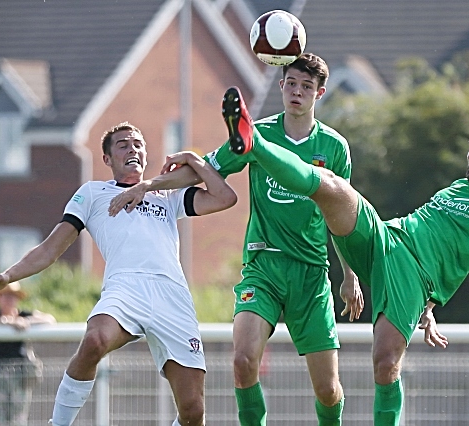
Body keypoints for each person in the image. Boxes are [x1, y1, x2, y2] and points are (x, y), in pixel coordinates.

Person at [203, 90, 469, 425]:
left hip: (413, 276)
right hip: (386, 238)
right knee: (332, 186)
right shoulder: (458, 186)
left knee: (384, 363)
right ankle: (253, 143)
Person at [109, 53, 364, 426]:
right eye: (291, 83)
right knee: (244, 361)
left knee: (327, 389)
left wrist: (350, 275)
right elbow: (204, 170)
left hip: (310, 274)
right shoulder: (254, 135)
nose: (296, 92)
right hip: (262, 266)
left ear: (319, 93)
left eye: (306, 87)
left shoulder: (335, 148)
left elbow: (341, 215)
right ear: (281, 86)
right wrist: (151, 184)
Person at [0, 122, 237, 426]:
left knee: (193, 411)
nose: (132, 149)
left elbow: (224, 197)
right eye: (123, 144)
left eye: (138, 144)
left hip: (172, 295)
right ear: (108, 159)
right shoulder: (93, 194)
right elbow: (49, 249)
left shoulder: (167, 196)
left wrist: (191, 159)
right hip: (125, 288)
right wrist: (7, 275)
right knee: (96, 339)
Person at [0, 281, 56, 426]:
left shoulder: (24, 314)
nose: (9, 299)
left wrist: (24, 321)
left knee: (18, 418)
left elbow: (49, 319)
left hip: (19, 373)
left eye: (13, 296)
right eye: (5, 296)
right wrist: (8, 322)